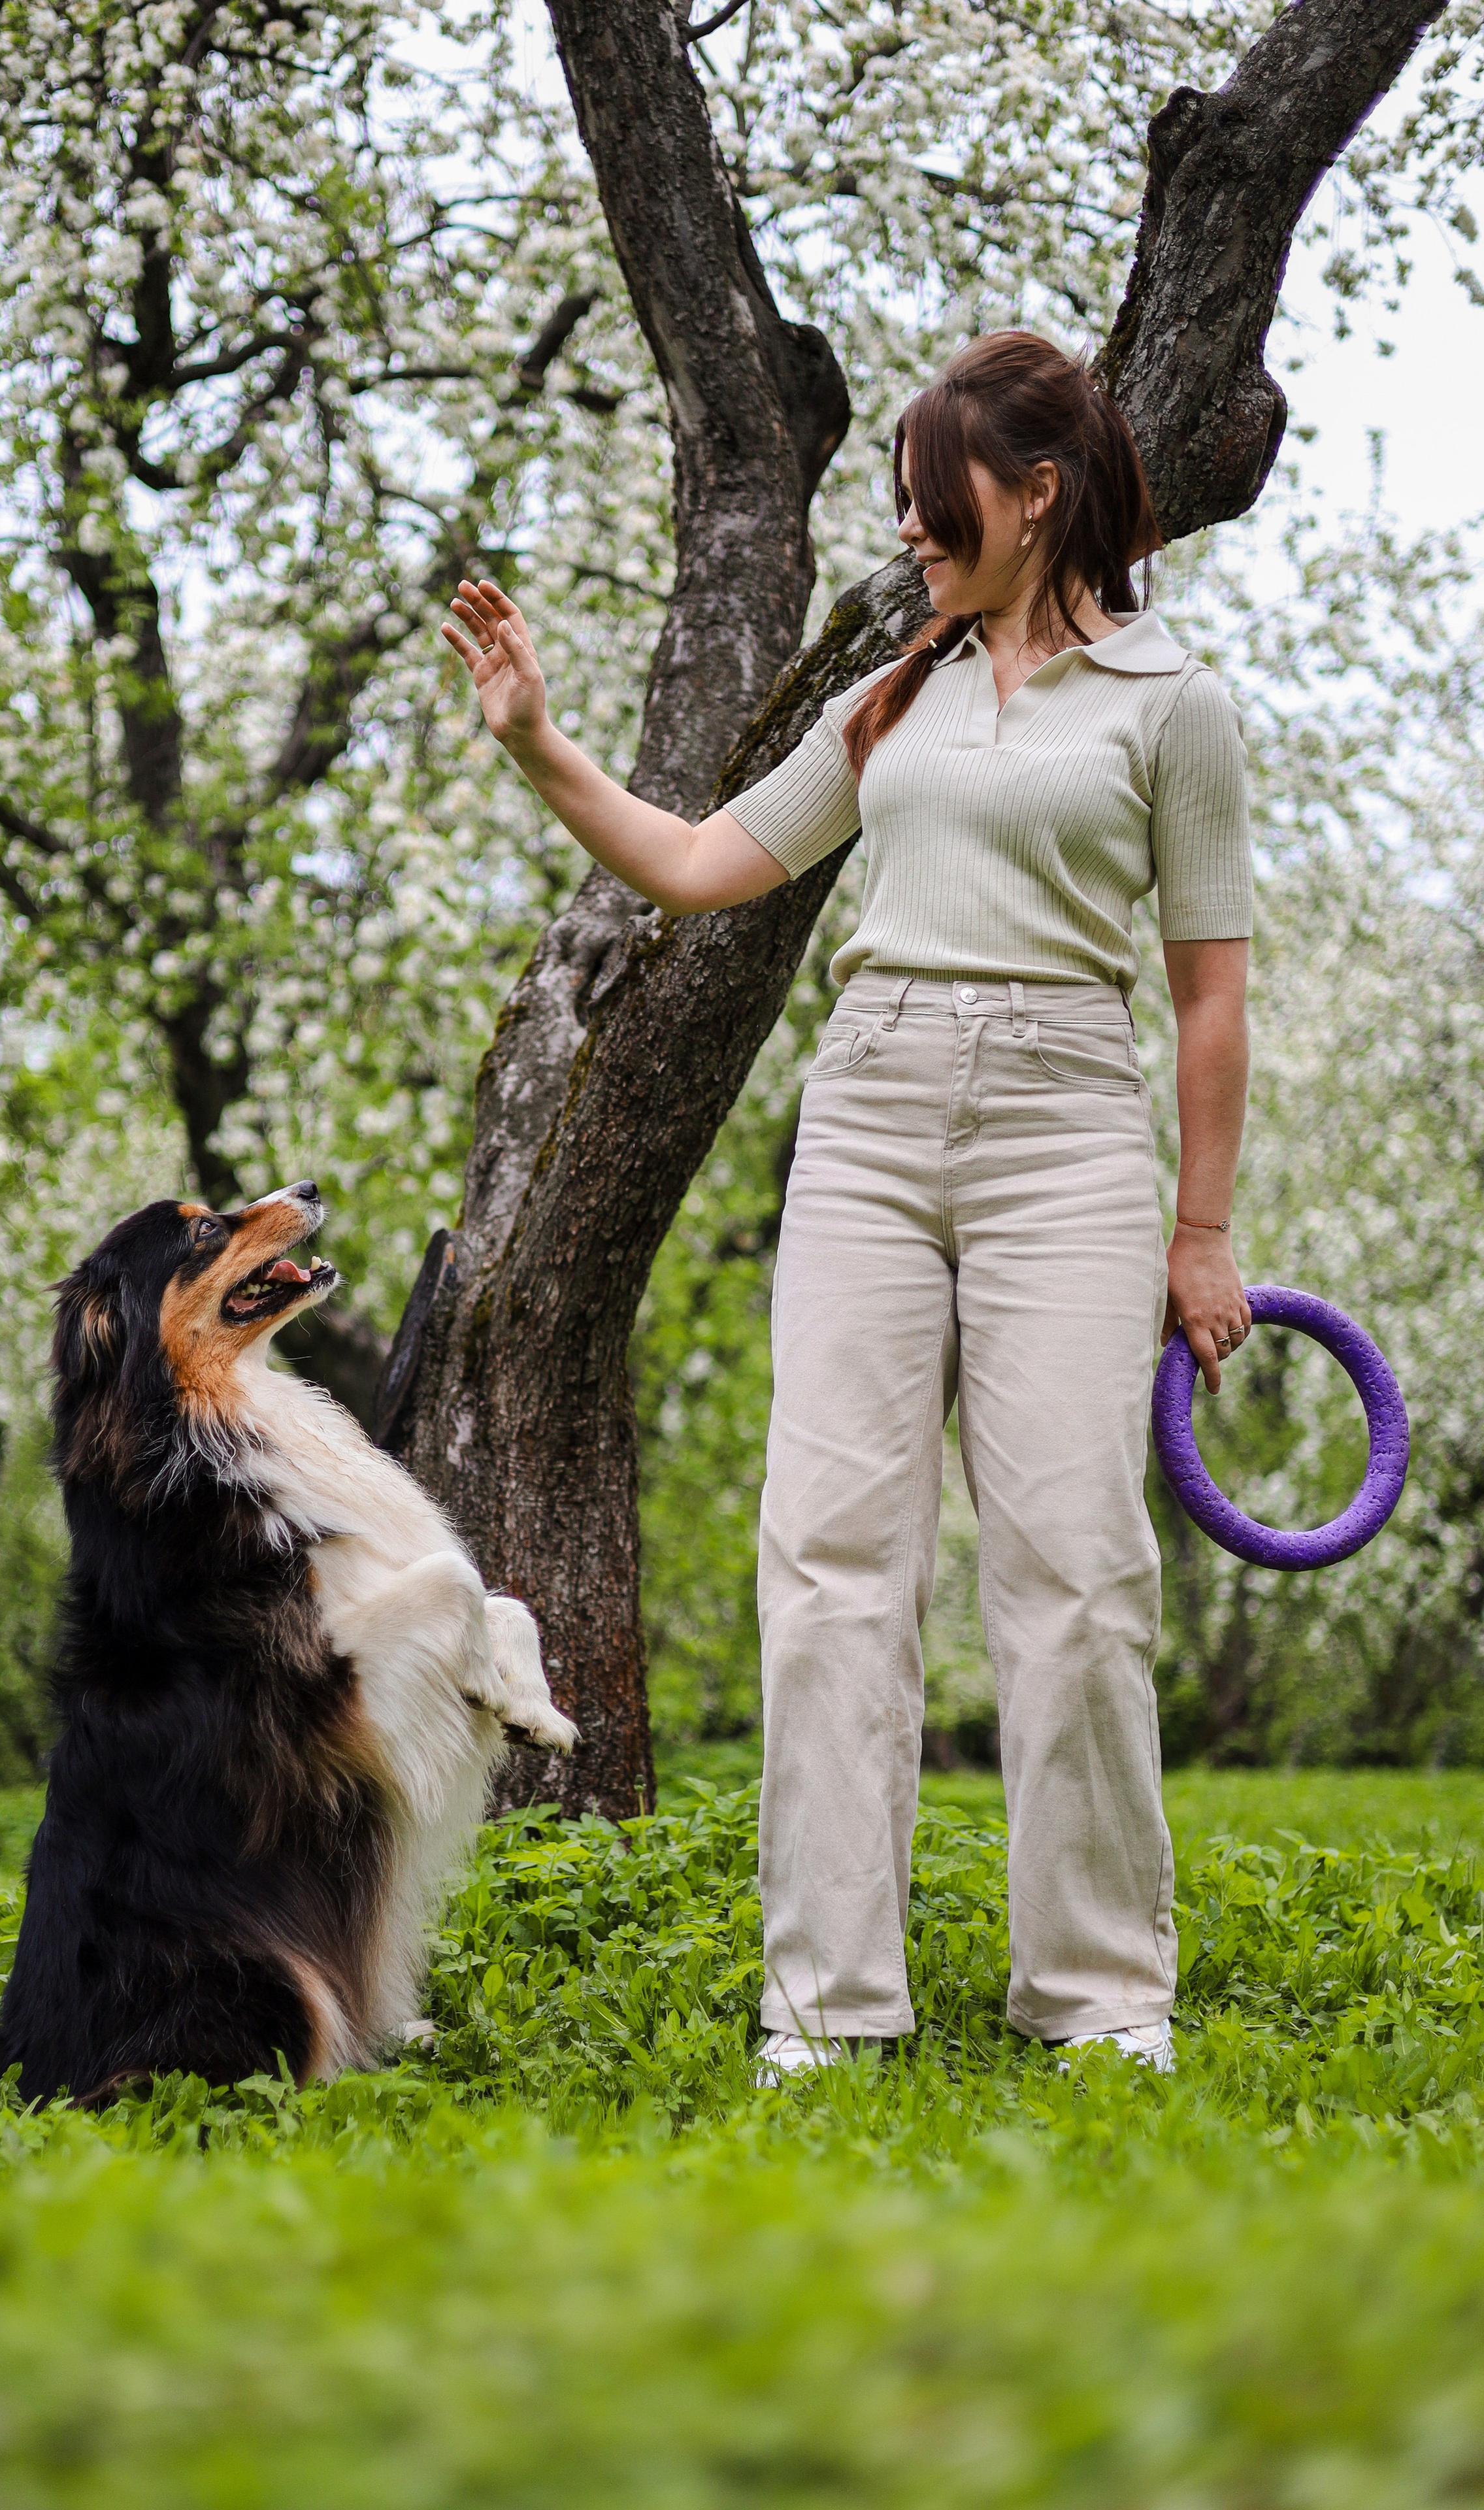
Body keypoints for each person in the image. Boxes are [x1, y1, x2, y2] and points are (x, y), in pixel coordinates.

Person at [441, 329, 1253, 2080]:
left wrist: (1202, 1231)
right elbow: (700, 863)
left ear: (1040, 491)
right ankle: (828, 2004)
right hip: (871, 1119)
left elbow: (1207, 992)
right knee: (829, 1570)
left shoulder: (1174, 705)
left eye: (933, 496)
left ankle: (1103, 1995)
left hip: (1065, 1128)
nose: (910, 528)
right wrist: (536, 744)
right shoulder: (891, 697)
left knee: (1079, 1571)